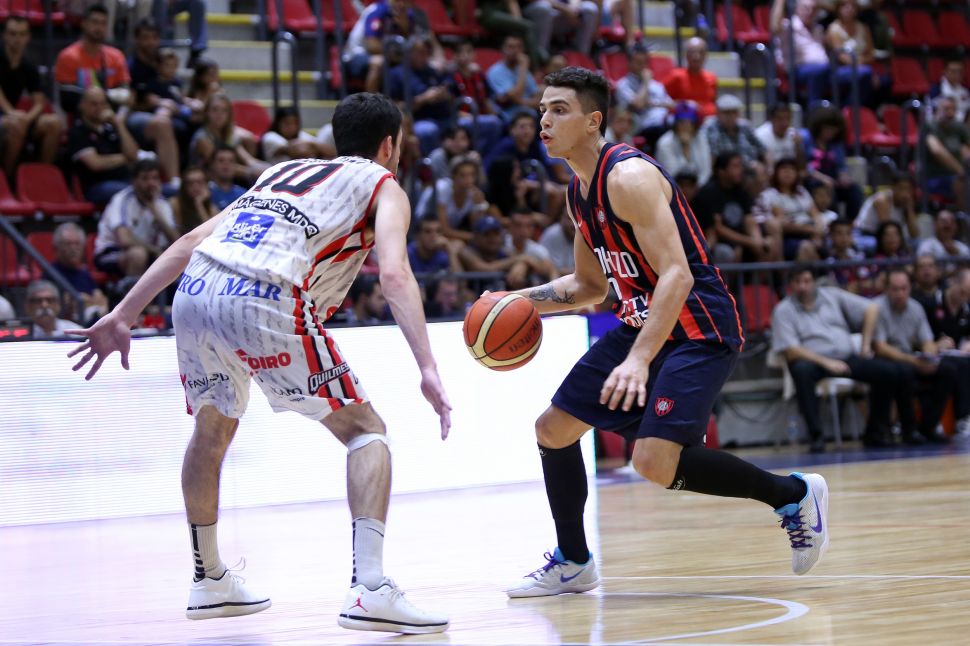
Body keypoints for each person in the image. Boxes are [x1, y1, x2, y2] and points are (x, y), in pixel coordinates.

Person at [65, 92, 451, 634]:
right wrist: (427, 365)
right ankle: (369, 589)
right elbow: (393, 274)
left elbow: (193, 239)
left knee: (211, 428)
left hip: (196, 289)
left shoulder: (282, 171)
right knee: (366, 432)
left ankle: (208, 578)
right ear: (390, 145)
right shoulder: (384, 185)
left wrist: (124, 312)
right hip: (264, 294)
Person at [500, 67, 829, 598]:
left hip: (697, 323)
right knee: (553, 430)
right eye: (542, 110)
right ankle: (574, 561)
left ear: (593, 121)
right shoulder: (578, 192)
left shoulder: (628, 178)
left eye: (559, 110)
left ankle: (793, 494)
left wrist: (638, 359)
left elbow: (677, 274)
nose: (545, 120)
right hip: (644, 321)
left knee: (652, 462)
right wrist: (514, 301)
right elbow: (589, 287)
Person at [771, 267, 910, 449]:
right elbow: (791, 350)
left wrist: (865, 345)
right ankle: (816, 436)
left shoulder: (832, 296)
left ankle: (875, 432)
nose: (803, 286)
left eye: (806, 281)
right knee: (801, 370)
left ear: (814, 282)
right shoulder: (783, 310)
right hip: (813, 361)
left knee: (889, 372)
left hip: (845, 357)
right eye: (798, 282)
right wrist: (826, 362)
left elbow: (871, 308)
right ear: (791, 284)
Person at [873, 269, 956, 444]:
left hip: (911, 359)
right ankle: (908, 430)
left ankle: (928, 426)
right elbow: (880, 348)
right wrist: (914, 361)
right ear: (886, 289)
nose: (900, 293)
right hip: (886, 361)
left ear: (910, 288)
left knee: (948, 370)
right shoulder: (876, 308)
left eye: (904, 288)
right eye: (895, 289)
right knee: (905, 372)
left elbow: (926, 341)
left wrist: (929, 357)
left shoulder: (915, 308)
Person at [93, 158, 179, 278]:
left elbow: (176, 241)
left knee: (175, 257)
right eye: (145, 178)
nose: (151, 183)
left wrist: (155, 212)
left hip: (148, 251)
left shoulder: (161, 203)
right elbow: (125, 240)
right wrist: (154, 251)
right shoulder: (122, 200)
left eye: (155, 178)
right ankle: (129, 290)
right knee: (138, 254)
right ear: (134, 181)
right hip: (112, 252)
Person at [0, 15, 63, 178]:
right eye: (12, 33)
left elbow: (39, 101)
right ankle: (8, 179)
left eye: (22, 34)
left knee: (53, 123)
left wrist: (28, 118)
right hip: (5, 116)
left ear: (28, 37)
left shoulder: (28, 65)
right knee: (16, 126)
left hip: (15, 117)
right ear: (4, 35)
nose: (17, 39)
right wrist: (12, 113)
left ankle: (41, 177)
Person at [67, 86, 141, 205]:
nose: (99, 108)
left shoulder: (111, 128)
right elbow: (96, 164)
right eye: (94, 104)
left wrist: (119, 124)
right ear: (82, 106)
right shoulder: (78, 132)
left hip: (124, 179)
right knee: (135, 192)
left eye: (103, 104)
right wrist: (125, 158)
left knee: (162, 191)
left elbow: (134, 155)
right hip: (97, 186)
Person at [54, 4, 131, 113]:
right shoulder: (67, 56)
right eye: (95, 22)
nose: (99, 28)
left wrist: (118, 118)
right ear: (84, 24)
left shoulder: (116, 56)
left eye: (103, 23)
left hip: (111, 114)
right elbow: (67, 99)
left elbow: (125, 93)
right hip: (79, 116)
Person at [770, 0, 831, 106]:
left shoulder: (818, 28)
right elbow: (775, 27)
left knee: (859, 73)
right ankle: (814, 110)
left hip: (825, 69)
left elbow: (834, 7)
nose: (810, 12)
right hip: (797, 70)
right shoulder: (789, 25)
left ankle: (847, 109)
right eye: (805, 8)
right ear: (797, 9)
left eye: (813, 9)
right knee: (819, 71)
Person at [48, 222, 109, 323]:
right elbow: (69, 305)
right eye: (68, 244)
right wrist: (90, 301)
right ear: (57, 248)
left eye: (77, 244)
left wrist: (87, 301)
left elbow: (102, 300)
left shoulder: (84, 273)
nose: (73, 248)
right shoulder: (50, 274)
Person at [614, 46, 674, 142]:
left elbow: (671, 105)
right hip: (643, 126)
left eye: (644, 62)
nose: (642, 66)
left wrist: (651, 103)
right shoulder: (623, 85)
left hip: (665, 122)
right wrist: (646, 83)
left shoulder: (656, 85)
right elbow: (638, 105)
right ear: (629, 63)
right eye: (638, 62)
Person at [924, 95, 970, 209]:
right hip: (935, 178)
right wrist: (960, 171)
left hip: (958, 176)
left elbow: (966, 149)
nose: (950, 113)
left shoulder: (958, 127)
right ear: (937, 110)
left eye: (953, 109)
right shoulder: (930, 126)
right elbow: (937, 151)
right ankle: (964, 217)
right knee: (962, 182)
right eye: (946, 109)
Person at [654, 102, 711, 185]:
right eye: (682, 122)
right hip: (672, 187)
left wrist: (697, 188)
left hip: (699, 188)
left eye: (690, 122)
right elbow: (672, 174)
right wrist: (685, 148)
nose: (686, 126)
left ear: (695, 125)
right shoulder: (665, 143)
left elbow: (706, 171)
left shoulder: (701, 139)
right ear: (675, 124)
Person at [486, 35, 541, 122]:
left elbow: (538, 98)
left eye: (518, 47)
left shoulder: (522, 70)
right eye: (511, 47)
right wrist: (523, 67)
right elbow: (516, 95)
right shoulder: (496, 72)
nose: (515, 51)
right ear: (503, 49)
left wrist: (522, 102)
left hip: (531, 116)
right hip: (509, 118)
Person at [662, 37, 718, 119]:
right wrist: (685, 104)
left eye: (701, 52)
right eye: (692, 52)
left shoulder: (712, 78)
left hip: (709, 121)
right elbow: (661, 100)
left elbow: (713, 102)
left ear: (706, 55)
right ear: (686, 55)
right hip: (683, 121)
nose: (697, 56)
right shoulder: (676, 76)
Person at [171, 166, 218, 233]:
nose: (195, 187)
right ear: (184, 187)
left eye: (199, 182)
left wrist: (199, 204)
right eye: (190, 183)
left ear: (206, 184)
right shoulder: (175, 204)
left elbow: (211, 233)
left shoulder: (211, 207)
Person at [929, 56, 970, 123]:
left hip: (963, 126)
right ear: (945, 71)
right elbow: (932, 116)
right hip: (942, 125)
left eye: (960, 71)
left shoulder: (966, 91)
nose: (957, 75)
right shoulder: (936, 90)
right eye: (953, 71)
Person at [206, 145, 247, 210]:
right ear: (213, 165)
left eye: (231, 161)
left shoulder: (244, 194)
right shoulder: (206, 192)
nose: (226, 164)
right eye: (221, 160)